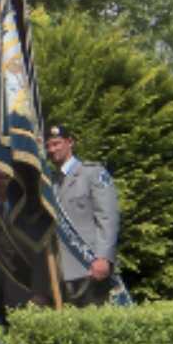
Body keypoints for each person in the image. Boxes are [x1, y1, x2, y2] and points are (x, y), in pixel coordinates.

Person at [45, 125, 120, 307]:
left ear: (70, 142)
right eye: (48, 146)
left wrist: (104, 258)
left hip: (91, 270)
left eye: (56, 144)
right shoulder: (50, 185)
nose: (52, 150)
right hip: (63, 275)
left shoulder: (92, 173)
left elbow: (108, 217)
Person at [0, 169, 48, 324]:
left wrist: (41, 291)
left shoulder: (28, 212)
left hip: (27, 294)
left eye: (4, 178)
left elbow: (40, 253)